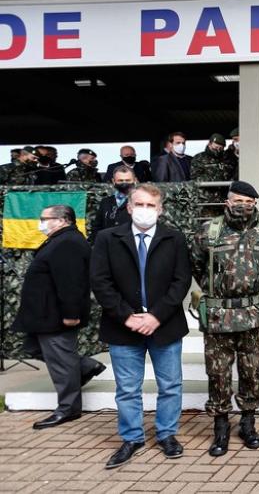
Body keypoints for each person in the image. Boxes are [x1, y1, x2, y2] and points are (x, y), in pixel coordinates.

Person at [90, 183, 192, 469]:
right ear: (129, 207)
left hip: (165, 325)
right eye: (140, 204)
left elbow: (181, 281)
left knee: (170, 385)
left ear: (160, 210)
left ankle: (167, 435)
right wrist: (126, 316)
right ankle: (132, 438)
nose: (145, 210)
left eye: (151, 205)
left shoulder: (174, 238)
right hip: (123, 326)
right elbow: (101, 282)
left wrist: (156, 316)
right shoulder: (107, 238)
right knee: (127, 388)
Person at [189, 181, 259, 457]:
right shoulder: (208, 232)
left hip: (252, 315)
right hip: (218, 316)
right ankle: (221, 427)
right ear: (227, 202)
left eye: (249, 202)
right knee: (218, 373)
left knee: (251, 371)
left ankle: (248, 424)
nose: (243, 206)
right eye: (238, 200)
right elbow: (197, 266)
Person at [13, 204, 105, 430]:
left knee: (62, 363)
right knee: (34, 348)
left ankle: (68, 408)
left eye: (45, 218)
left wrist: (71, 314)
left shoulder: (68, 243)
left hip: (56, 316)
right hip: (43, 315)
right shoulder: (60, 239)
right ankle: (85, 367)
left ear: (63, 220)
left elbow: (71, 283)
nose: (41, 222)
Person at [191, 133, 234, 219]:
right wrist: (216, 178)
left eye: (220, 148)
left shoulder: (226, 159)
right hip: (206, 202)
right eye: (215, 148)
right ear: (209, 144)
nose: (217, 150)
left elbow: (231, 174)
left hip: (224, 202)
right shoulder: (199, 158)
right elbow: (196, 178)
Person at [89, 166, 137, 243]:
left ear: (134, 180)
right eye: (120, 180)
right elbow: (97, 227)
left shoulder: (140, 202)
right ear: (113, 181)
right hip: (108, 247)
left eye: (128, 180)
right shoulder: (105, 202)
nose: (124, 183)